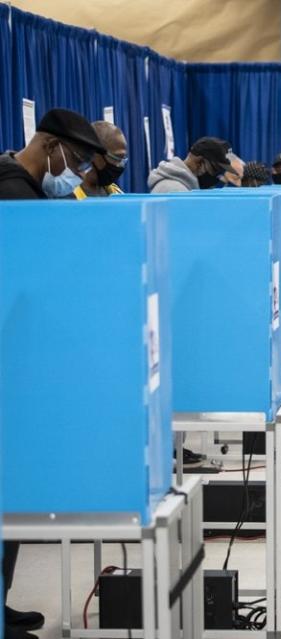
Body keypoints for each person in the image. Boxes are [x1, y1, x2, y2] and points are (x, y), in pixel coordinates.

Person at [0, 107, 103, 639]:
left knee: (9, 495)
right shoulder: (12, 194)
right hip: (13, 363)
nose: (77, 168)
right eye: (76, 157)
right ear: (48, 144)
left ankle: (2, 602)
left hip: (20, 361)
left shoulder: (25, 189)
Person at [147, 136, 236, 193]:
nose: (217, 177)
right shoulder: (176, 191)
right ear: (199, 162)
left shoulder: (184, 188)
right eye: (215, 170)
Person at [72, 121, 127, 199]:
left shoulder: (115, 192)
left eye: (123, 160)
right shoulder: (67, 197)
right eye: (117, 158)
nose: (120, 165)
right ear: (94, 154)